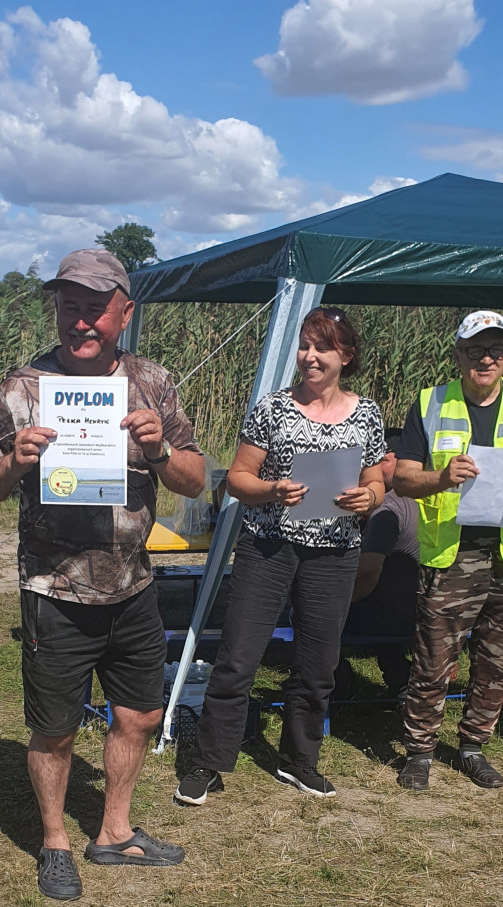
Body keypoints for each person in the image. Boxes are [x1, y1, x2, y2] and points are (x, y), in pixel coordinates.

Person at [0, 249, 205, 900]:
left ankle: (114, 832)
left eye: (95, 308)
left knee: (140, 714)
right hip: (55, 587)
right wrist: (14, 461)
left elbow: (194, 478)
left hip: (134, 584)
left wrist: (159, 449)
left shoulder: (153, 382)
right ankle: (55, 843)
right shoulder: (25, 387)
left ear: (124, 313)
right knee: (55, 728)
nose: (80, 321)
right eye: (69, 306)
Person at [175, 306, 385, 806]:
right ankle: (208, 761)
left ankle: (299, 759)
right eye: (305, 346)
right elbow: (237, 479)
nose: (310, 356)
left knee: (319, 663)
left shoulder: (368, 413)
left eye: (323, 347)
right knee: (238, 657)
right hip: (268, 546)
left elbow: (377, 479)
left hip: (335, 551)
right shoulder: (272, 408)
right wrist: (272, 490)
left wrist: (370, 498)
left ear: (346, 356)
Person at [394, 310, 503, 792]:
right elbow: (401, 479)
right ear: (458, 355)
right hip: (451, 556)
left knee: (496, 663)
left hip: (501, 558)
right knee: (434, 660)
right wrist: (441, 477)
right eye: (476, 349)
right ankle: (419, 751)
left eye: (495, 349)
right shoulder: (431, 402)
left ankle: (474, 747)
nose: (486, 358)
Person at [336, 429, 419, 699]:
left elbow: (368, 574)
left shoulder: (388, 509)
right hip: (426, 611)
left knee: (314, 613)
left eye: (381, 460)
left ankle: (333, 679)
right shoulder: (428, 498)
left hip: (396, 617)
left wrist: (342, 603)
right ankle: (401, 680)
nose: (370, 467)